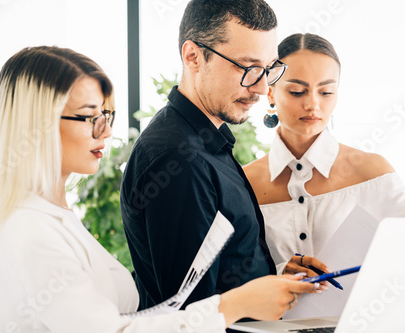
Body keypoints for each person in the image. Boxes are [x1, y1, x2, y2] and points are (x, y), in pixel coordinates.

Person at [0, 46, 317, 333]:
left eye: (108, 116)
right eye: (91, 117)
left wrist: (263, 282)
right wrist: (234, 305)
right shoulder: (28, 229)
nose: (105, 132)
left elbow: (129, 318)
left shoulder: (55, 219)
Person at [120, 0, 301, 310]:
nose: (260, 88)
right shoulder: (178, 162)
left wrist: (275, 276)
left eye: (268, 69)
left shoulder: (204, 143)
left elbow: (216, 275)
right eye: (248, 68)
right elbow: (189, 313)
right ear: (193, 57)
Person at [244, 33, 405, 275]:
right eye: (297, 91)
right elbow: (223, 277)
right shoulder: (242, 184)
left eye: (326, 92)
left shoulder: (372, 173)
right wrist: (276, 274)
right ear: (271, 93)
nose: (313, 104)